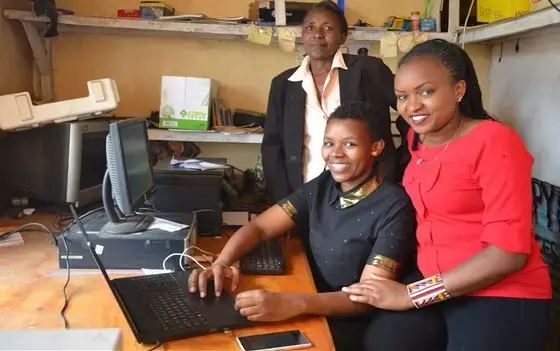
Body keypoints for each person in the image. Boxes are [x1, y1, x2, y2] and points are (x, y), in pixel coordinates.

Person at [342, 39, 552, 351]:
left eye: (426, 91)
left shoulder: (495, 142)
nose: (412, 106)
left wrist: (411, 295)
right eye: (402, 96)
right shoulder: (417, 139)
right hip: (434, 281)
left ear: (458, 90)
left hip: (500, 291)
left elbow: (507, 254)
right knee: (382, 341)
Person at [189, 102, 446, 351]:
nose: (335, 153)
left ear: (376, 148)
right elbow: (261, 227)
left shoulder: (393, 205)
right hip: (317, 298)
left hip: (358, 316)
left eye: (350, 144)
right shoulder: (323, 185)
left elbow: (369, 298)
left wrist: (294, 303)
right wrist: (222, 263)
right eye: (329, 143)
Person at [261, 0, 399, 209]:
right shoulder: (283, 84)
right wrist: (286, 202)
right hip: (304, 195)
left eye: (327, 28)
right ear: (303, 35)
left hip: (366, 192)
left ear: (342, 37)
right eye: (310, 27)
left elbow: (412, 108)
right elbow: (272, 146)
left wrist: (406, 158)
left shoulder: (369, 71)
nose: (317, 34)